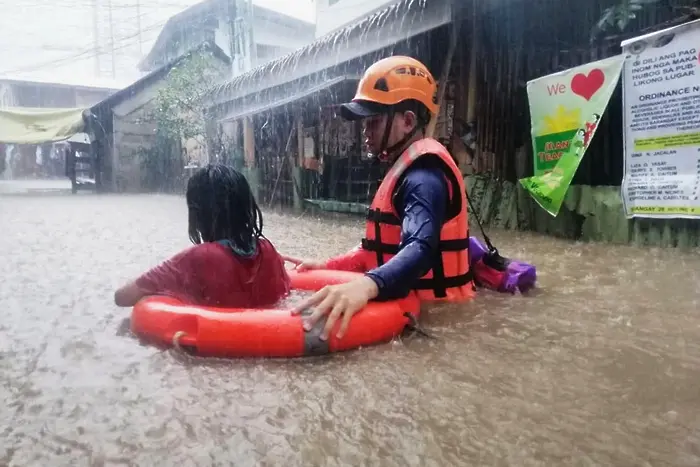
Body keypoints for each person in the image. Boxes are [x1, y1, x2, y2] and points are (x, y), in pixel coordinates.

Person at [288, 56, 474, 341]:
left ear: (408, 121)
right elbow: (376, 250)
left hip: (439, 319)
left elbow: (420, 248)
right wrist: (327, 265)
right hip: (417, 308)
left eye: (373, 122)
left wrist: (367, 285)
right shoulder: (405, 170)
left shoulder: (423, 178)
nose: (365, 133)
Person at [114, 164, 290, 308]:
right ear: (247, 207)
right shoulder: (268, 251)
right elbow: (285, 292)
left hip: (217, 346)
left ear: (197, 214)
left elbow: (122, 297)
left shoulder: (200, 257)